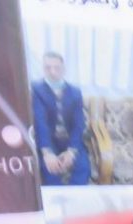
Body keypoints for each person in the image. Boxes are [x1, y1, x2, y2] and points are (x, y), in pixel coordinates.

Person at [31, 52, 91, 186]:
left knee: (83, 168)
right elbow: (40, 123)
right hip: (49, 141)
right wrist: (47, 152)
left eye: (56, 68)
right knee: (49, 171)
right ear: (43, 69)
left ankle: (74, 197)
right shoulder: (37, 90)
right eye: (48, 68)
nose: (52, 72)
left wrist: (72, 151)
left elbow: (78, 124)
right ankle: (56, 198)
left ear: (63, 69)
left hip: (70, 140)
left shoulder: (75, 92)